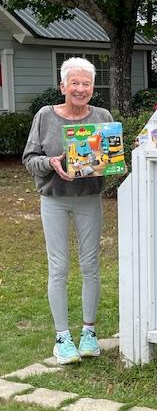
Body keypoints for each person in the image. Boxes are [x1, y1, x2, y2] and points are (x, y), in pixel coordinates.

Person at [23, 57, 114, 364]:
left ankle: (89, 333)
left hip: (89, 198)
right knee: (59, 267)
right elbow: (29, 158)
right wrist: (50, 163)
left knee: (91, 266)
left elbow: (111, 157)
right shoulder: (45, 116)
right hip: (55, 199)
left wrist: (110, 162)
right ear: (62, 86)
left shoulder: (102, 116)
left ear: (93, 88)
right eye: (74, 83)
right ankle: (62, 337)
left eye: (86, 83)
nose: (80, 89)